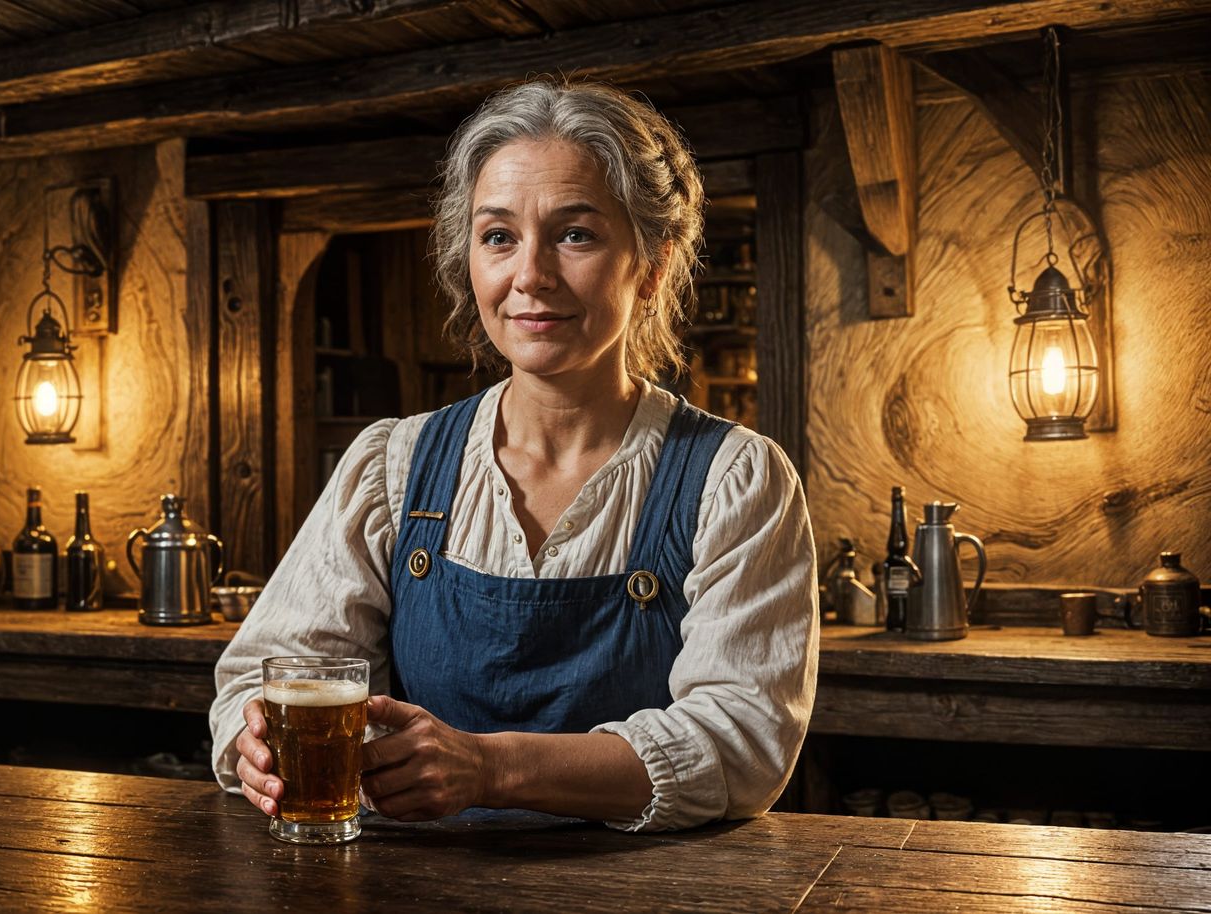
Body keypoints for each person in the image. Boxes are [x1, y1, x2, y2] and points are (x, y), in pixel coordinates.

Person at [210, 77, 817, 832]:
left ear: (652, 265)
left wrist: (491, 768)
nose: (529, 276)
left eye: (576, 234)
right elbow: (261, 675)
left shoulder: (736, 479)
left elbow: (742, 744)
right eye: (499, 236)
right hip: (417, 891)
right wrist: (254, 742)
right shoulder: (392, 465)